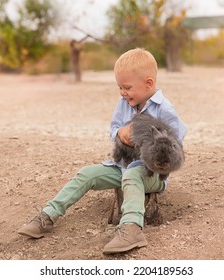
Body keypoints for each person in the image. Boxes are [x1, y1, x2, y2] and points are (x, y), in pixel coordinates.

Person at [17, 48, 187, 254]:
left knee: (134, 174)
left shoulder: (164, 109)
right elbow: (113, 130)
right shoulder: (124, 103)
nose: (122, 93)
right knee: (86, 174)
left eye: (127, 87)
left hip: (151, 174)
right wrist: (121, 134)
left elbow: (175, 144)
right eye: (119, 87)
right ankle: (47, 215)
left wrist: (150, 144)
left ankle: (132, 228)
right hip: (121, 166)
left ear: (149, 83)